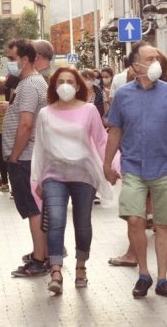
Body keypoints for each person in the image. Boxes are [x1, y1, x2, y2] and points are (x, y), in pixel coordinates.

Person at [103, 42, 167, 299]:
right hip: (133, 166)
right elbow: (115, 131)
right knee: (134, 219)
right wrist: (107, 163)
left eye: (157, 57)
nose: (156, 62)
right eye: (149, 58)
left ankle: (163, 278)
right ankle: (143, 273)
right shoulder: (122, 95)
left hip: (165, 167)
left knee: (163, 224)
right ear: (136, 65)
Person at [31, 67, 114, 295]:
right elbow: (40, 147)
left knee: (83, 223)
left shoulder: (89, 110)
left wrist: (113, 165)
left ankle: (81, 266)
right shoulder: (45, 113)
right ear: (54, 86)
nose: (65, 85)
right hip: (53, 175)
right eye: (60, 81)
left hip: (83, 174)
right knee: (56, 220)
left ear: (78, 86)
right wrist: (37, 178)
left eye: (69, 81)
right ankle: (56, 270)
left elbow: (101, 140)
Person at [2, 39, 49, 277]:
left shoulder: (30, 85)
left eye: (11, 58)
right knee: (35, 207)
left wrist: (14, 156)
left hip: (25, 157)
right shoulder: (30, 83)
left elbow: (26, 124)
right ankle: (42, 253)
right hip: (28, 155)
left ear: (25, 59)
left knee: (33, 209)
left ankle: (40, 259)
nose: (9, 63)